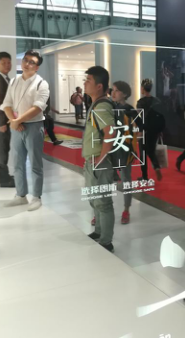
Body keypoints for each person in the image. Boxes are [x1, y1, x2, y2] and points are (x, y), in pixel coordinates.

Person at [1, 50, 50, 212]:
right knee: (17, 162)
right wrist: (14, 121)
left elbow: (38, 107)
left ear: (37, 67)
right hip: (16, 127)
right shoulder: (14, 81)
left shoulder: (41, 83)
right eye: (25, 60)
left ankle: (36, 197)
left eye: (32, 62)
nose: (27, 64)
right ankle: (21, 195)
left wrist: (17, 121)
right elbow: (7, 103)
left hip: (34, 126)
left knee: (35, 163)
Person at [83, 66, 116, 252]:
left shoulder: (102, 106)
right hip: (93, 160)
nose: (85, 83)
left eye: (88, 80)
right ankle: (99, 232)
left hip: (100, 163)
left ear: (99, 86)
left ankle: (106, 241)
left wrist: (101, 158)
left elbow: (110, 132)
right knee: (95, 199)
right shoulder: (96, 104)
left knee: (103, 202)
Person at [111, 81, 142, 224]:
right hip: (111, 147)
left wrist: (133, 140)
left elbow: (141, 127)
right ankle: (102, 210)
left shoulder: (129, 109)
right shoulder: (112, 107)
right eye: (112, 90)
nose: (113, 93)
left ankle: (126, 209)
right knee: (107, 178)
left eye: (116, 90)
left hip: (125, 149)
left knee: (126, 179)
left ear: (124, 93)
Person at [0, 52, 15, 187]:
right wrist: (1, 123)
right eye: (3, 63)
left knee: (5, 148)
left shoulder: (7, 79)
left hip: (6, 120)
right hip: (0, 121)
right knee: (1, 149)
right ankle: (3, 179)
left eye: (8, 62)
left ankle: (5, 175)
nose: (7, 65)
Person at [136, 79, 164, 182]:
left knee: (142, 153)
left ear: (143, 89)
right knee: (151, 151)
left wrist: (139, 130)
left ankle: (144, 176)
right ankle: (156, 167)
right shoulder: (157, 101)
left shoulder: (140, 102)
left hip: (144, 129)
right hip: (155, 129)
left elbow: (138, 117)